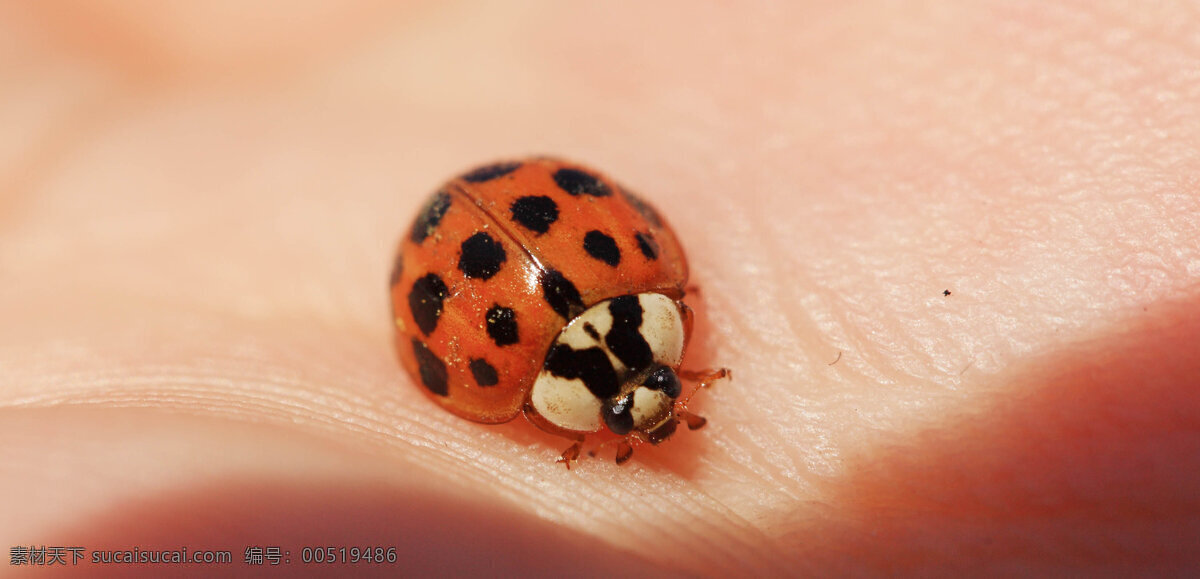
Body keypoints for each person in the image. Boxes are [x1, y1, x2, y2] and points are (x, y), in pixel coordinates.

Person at [2, 2, 1197, 575]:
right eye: (656, 397)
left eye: (647, 398)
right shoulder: (618, 312)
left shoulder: (604, 327)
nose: (658, 409)